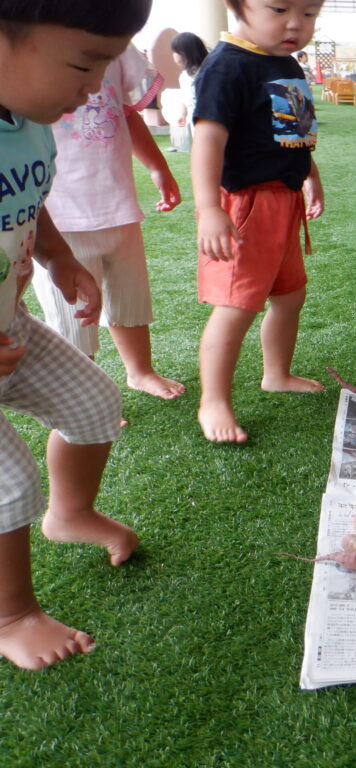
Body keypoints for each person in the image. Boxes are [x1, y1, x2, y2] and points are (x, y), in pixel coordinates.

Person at [0, 0, 149, 671]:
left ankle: (72, 513)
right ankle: (12, 615)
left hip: (12, 328)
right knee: (8, 483)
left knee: (94, 404)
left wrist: (57, 257)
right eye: (84, 62)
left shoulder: (29, 123)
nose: (94, 86)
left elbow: (29, 202)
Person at [190, 0, 325, 443]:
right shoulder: (226, 67)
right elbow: (208, 139)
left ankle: (276, 373)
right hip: (245, 208)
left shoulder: (288, 64)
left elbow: (298, 134)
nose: (295, 23)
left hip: (284, 202)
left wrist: (310, 177)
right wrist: (209, 208)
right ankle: (213, 400)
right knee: (236, 308)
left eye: (309, 12)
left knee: (290, 296)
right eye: (280, 8)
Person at [31, 44, 185, 404]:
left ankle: (140, 371)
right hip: (58, 217)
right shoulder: (29, 41)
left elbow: (126, 111)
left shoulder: (113, 39)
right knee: (73, 315)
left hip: (117, 203)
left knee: (130, 298)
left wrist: (157, 166)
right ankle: (80, 394)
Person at [167, 32, 209, 152]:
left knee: (207, 145)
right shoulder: (184, 76)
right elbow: (185, 98)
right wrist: (183, 113)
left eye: (175, 52)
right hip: (193, 116)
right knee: (199, 144)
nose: (174, 56)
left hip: (206, 116)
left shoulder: (204, 72)